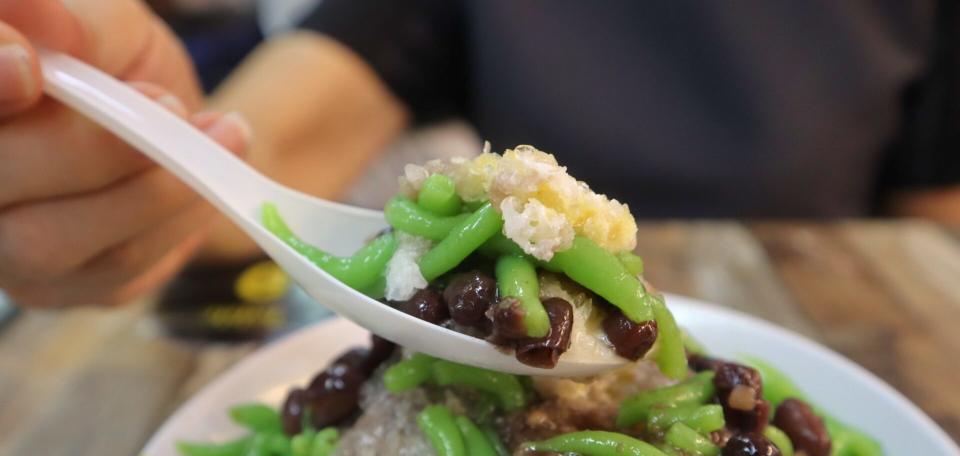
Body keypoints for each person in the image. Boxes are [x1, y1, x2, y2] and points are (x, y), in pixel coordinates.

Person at [0, 0, 957, 308]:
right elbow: (264, 157)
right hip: (524, 325)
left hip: (822, 324)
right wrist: (145, 150)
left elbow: (934, 248)